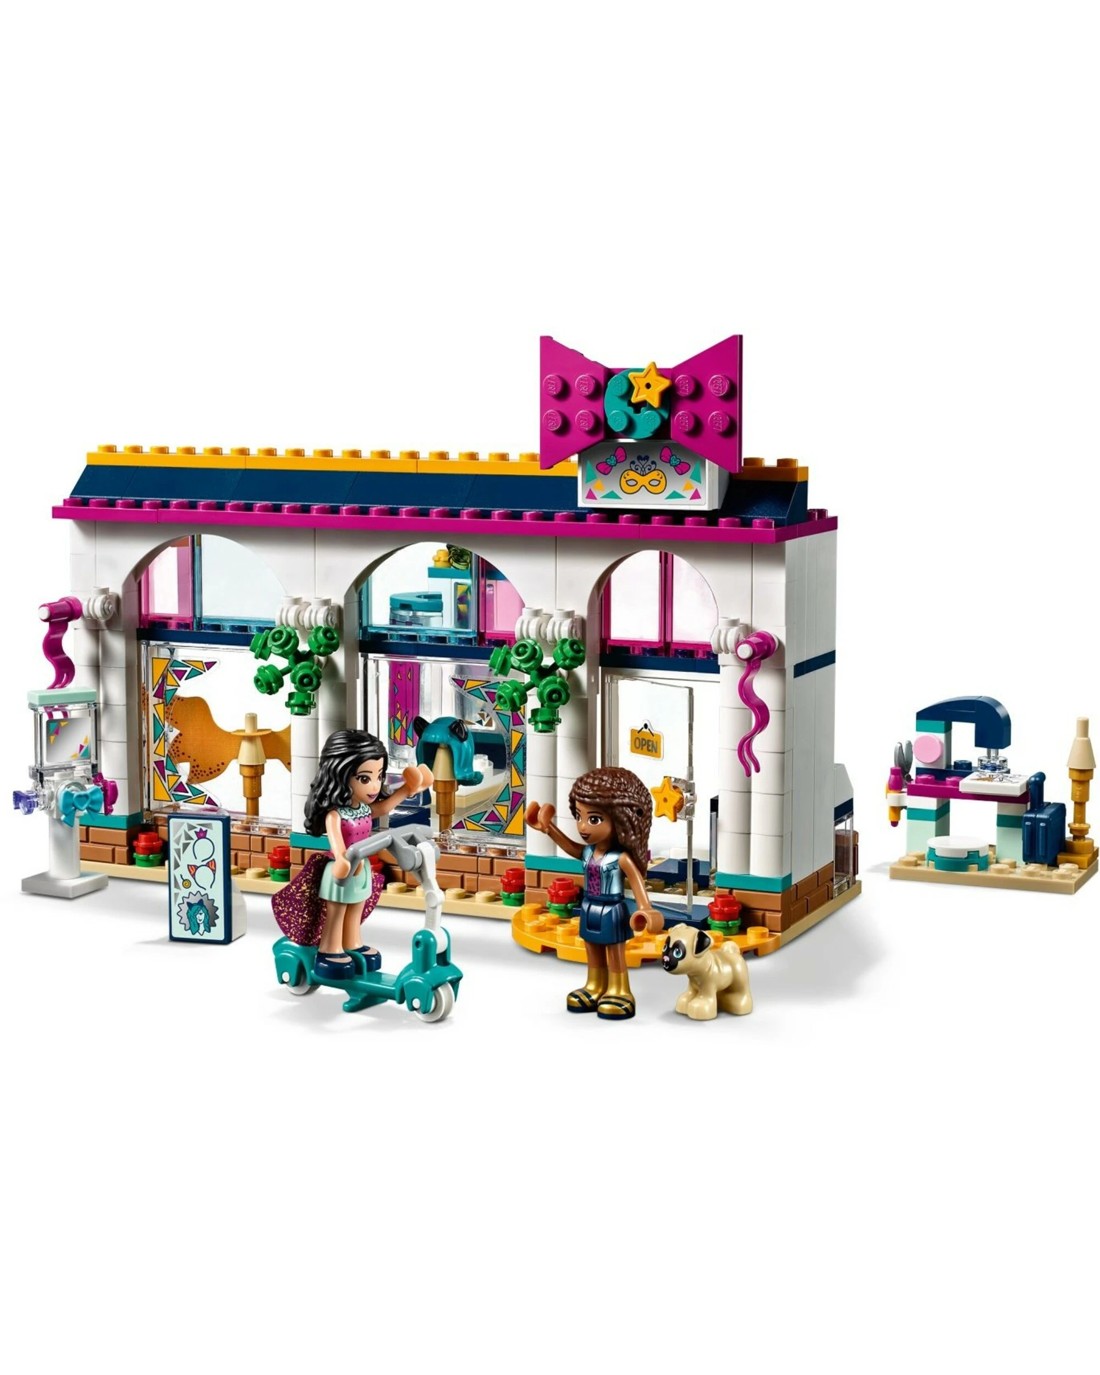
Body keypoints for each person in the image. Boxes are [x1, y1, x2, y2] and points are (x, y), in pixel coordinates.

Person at [272, 730, 433, 979]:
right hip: (342, 870)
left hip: (362, 867)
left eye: (378, 776)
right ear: (341, 774)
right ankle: (329, 948)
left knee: (356, 908)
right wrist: (341, 859)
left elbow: (384, 807)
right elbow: (337, 843)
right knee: (336, 911)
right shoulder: (335, 815)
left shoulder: (363, 809)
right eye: (364, 778)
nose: (375, 786)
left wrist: (406, 790)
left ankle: (352, 943)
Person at [526, 767, 660, 1020]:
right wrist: (548, 828)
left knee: (614, 950)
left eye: (594, 819)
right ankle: (595, 985)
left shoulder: (620, 858)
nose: (583, 827)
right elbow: (571, 847)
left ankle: (620, 990)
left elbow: (636, 882)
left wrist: (645, 908)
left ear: (620, 818)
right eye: (579, 816)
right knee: (592, 948)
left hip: (612, 909)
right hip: (589, 906)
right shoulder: (588, 852)